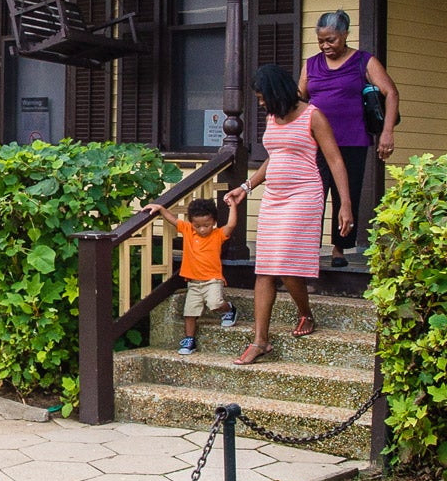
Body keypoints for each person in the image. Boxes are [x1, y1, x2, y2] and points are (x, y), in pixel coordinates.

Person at [233, 62, 353, 365]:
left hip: (304, 195)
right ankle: (260, 341)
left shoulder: (313, 116)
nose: (261, 104)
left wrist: (346, 205)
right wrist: (246, 187)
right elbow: (274, 158)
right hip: (274, 197)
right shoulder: (274, 118)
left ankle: (306, 314)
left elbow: (336, 161)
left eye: (262, 97)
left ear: (275, 91)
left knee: (285, 265)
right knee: (264, 268)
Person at [304, 10, 398, 252]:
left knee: (346, 195)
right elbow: (299, 98)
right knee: (313, 194)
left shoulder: (363, 61)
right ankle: (308, 248)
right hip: (315, 142)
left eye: (331, 40)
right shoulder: (311, 64)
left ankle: (340, 247)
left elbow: (391, 92)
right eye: (321, 41)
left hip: (352, 139)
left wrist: (387, 133)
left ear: (345, 35)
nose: (325, 45)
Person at [151, 190, 240, 352]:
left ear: (214, 221)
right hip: (193, 282)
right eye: (197, 225)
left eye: (206, 225)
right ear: (191, 222)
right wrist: (161, 209)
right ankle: (189, 340)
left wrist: (233, 205)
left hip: (213, 280)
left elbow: (232, 224)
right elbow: (173, 220)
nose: (202, 229)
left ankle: (229, 309)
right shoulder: (188, 231)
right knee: (189, 312)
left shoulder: (218, 234)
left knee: (215, 303)